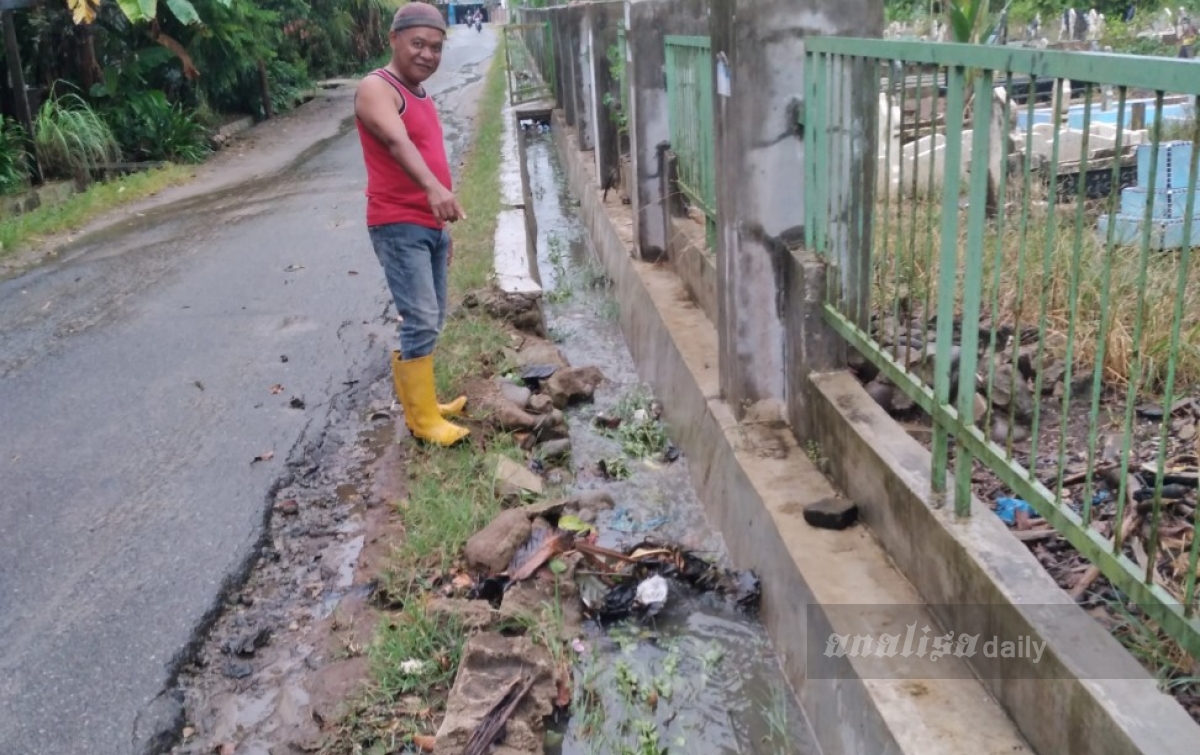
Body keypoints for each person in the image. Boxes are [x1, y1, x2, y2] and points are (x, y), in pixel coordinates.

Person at [354, 3, 470, 446]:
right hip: (398, 222)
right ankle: (423, 422)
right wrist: (433, 191)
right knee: (420, 316)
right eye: (418, 44)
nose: (427, 54)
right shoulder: (376, 87)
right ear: (394, 40)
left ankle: (422, 405)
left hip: (430, 225)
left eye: (435, 48)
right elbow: (395, 140)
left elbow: (433, 158)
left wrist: (444, 225)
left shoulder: (422, 94)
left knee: (431, 316)